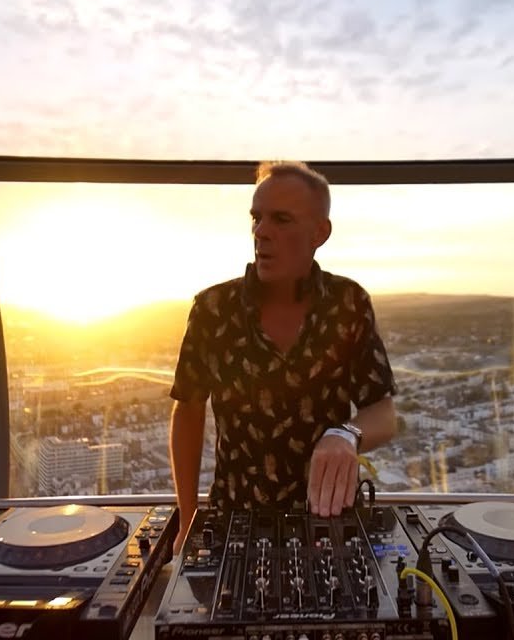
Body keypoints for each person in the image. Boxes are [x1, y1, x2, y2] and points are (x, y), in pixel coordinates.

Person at [168, 160, 397, 549]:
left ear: (319, 233)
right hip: (235, 524)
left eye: (281, 220)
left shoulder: (349, 303)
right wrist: (188, 522)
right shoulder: (213, 309)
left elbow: (383, 413)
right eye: (256, 218)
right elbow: (187, 410)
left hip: (329, 523)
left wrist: (346, 434)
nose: (261, 232)